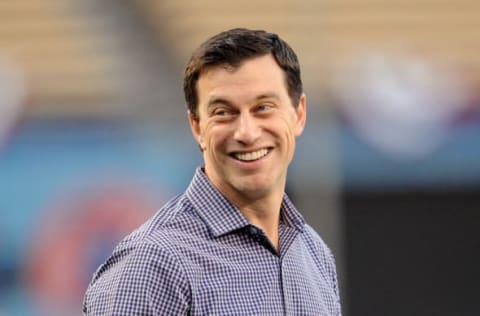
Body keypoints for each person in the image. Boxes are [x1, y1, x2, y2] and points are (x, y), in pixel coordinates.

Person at [83, 28, 341, 315]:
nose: (246, 132)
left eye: (263, 107)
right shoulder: (152, 264)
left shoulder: (313, 252)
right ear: (197, 127)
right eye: (223, 112)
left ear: (299, 114)